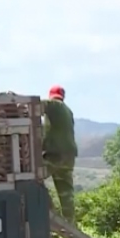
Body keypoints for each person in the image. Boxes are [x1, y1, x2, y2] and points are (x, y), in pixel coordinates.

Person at [42, 85, 78, 222]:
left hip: (55, 155)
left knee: (33, 180)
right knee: (66, 191)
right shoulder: (68, 111)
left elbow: (34, 104)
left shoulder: (54, 105)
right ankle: (70, 222)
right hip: (69, 156)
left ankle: (51, 213)